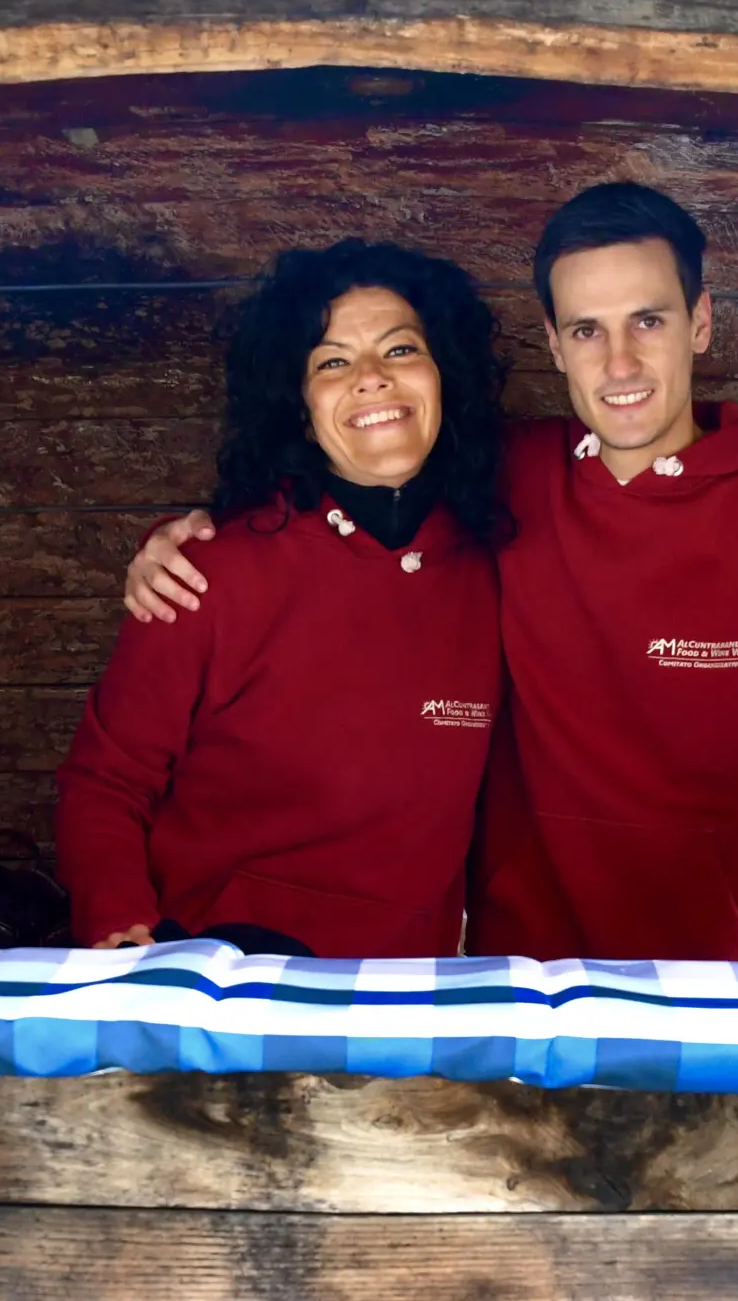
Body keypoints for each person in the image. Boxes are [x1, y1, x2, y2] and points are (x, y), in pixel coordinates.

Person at [121, 182, 738, 963]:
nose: (619, 364)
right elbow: (351, 467)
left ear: (703, 321)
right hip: (522, 978)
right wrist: (185, 540)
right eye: (587, 330)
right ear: (555, 342)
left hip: (726, 974)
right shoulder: (507, 477)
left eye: (647, 320)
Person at [55, 240, 508, 959]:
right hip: (219, 983)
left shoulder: (500, 564)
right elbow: (106, 782)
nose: (370, 379)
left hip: (409, 999)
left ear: (443, 375)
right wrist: (125, 939)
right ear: (298, 406)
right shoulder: (205, 575)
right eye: (332, 361)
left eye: (399, 350)